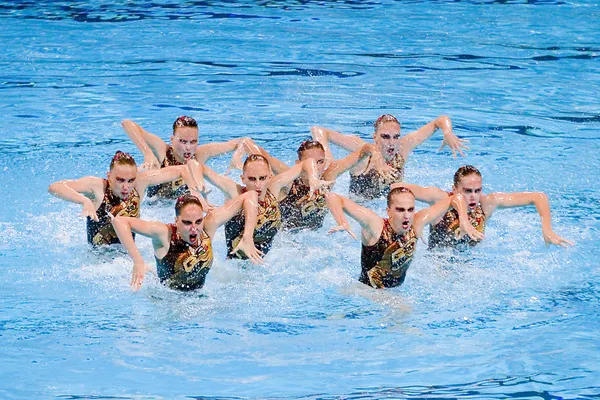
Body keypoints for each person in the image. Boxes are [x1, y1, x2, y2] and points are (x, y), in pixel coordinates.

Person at [392, 165, 574, 249]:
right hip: (438, 265)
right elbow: (397, 188)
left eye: (477, 190)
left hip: (468, 264)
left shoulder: (487, 203)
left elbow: (538, 197)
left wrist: (547, 229)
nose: (473, 196)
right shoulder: (440, 199)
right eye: (467, 190)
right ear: (455, 188)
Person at [48, 151, 205, 246]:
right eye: (120, 180)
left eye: (130, 180)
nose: (126, 187)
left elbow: (185, 168)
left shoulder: (140, 183)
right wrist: (84, 200)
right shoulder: (97, 187)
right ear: (109, 177)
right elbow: (55, 187)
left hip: (125, 256)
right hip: (96, 259)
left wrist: (197, 194)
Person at [112, 192, 263, 291]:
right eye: (187, 222)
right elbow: (119, 221)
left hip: (199, 299)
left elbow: (250, 196)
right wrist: (138, 261)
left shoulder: (208, 226)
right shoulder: (165, 234)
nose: (194, 228)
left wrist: (247, 236)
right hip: (168, 303)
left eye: (198, 221)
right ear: (176, 220)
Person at [326, 186, 470, 288]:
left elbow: (456, 198)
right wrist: (342, 221)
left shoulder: (417, 223)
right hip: (366, 293)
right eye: (400, 210)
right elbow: (333, 197)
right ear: (389, 211)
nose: (407, 215)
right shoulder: (376, 226)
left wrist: (464, 220)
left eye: (410, 209)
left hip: (393, 293)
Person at [235, 138, 391, 231]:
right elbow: (254, 148)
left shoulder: (329, 175)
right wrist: (238, 151)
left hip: (314, 238)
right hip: (286, 240)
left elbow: (365, 149)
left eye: (321, 162)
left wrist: (377, 157)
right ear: (299, 164)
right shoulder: (289, 179)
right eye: (311, 162)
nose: (317, 167)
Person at [196, 154, 331, 258]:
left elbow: (308, 162)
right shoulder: (235, 192)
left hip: (266, 263)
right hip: (237, 268)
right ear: (243, 179)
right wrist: (196, 191)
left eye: (262, 178)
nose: (257, 185)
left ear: (270, 177)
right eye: (252, 179)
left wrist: (313, 178)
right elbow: (196, 165)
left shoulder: (274, 188)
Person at [311, 114, 469, 200]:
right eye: (385, 137)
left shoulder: (403, 147)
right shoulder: (362, 150)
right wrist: (326, 157)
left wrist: (447, 132)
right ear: (375, 137)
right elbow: (318, 130)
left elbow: (440, 120)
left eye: (396, 137)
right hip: (361, 209)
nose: (392, 143)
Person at [121, 116, 252, 199]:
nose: (188, 148)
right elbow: (127, 123)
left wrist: (237, 157)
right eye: (183, 142)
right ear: (172, 140)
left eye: (193, 142)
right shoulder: (163, 151)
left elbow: (244, 141)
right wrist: (147, 152)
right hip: (154, 206)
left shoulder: (200, 154)